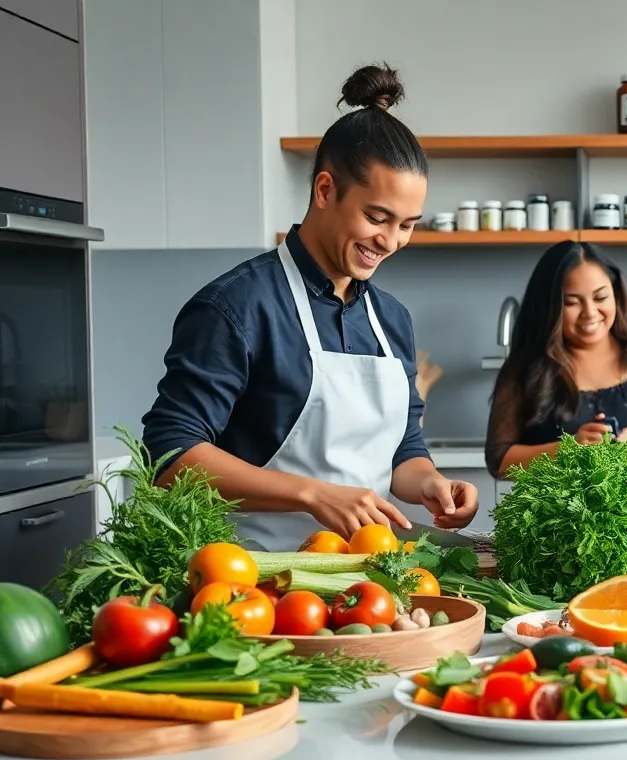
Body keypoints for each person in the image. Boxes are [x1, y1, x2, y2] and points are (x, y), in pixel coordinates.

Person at [141, 64, 478, 551]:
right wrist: (311, 494)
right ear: (325, 191)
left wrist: (429, 482)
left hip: (366, 584)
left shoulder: (391, 319)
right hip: (251, 580)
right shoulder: (237, 306)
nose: (390, 241)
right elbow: (169, 454)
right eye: (376, 217)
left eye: (407, 225)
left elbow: (402, 446)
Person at [485, 240, 627, 478]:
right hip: (555, 514)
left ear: (615, 293)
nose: (590, 313)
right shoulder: (524, 367)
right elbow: (499, 461)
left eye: (600, 297)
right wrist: (569, 449)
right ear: (548, 307)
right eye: (572, 302)